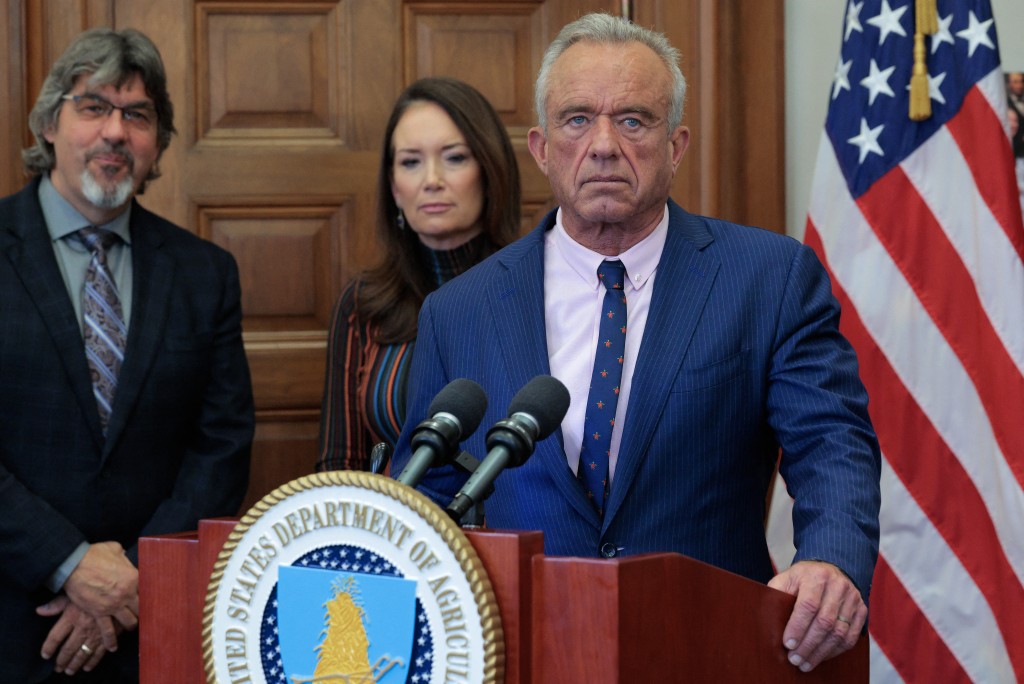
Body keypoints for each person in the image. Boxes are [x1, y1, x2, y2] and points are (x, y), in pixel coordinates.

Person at [390, 13, 881, 674]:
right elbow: (424, 494)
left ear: (675, 145)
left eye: (632, 120)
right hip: (526, 651)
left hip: (707, 646)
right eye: (576, 120)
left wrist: (828, 556)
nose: (601, 146)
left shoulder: (766, 279)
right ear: (540, 147)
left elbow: (831, 441)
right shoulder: (459, 311)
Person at [0, 28, 254, 682]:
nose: (115, 131)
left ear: (157, 143)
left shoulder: (206, 273)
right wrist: (70, 564)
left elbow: (221, 445)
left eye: (137, 115)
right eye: (93, 107)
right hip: (13, 615)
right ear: (49, 124)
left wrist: (135, 577)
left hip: (153, 623)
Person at [316, 77, 521, 472]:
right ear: (394, 187)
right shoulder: (363, 303)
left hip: (511, 529)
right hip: (395, 530)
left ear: (490, 170)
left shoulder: (535, 286)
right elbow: (340, 464)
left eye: (454, 157)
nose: (431, 180)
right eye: (411, 162)